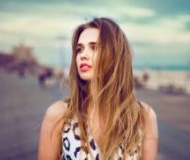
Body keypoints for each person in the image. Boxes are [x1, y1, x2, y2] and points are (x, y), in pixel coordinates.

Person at [38, 17, 158, 160]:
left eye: (94, 47)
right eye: (79, 49)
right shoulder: (59, 115)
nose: (83, 55)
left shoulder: (143, 116)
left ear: (115, 56)